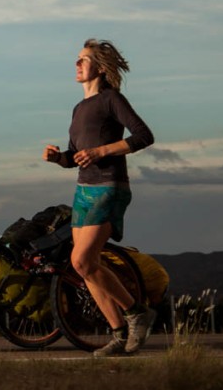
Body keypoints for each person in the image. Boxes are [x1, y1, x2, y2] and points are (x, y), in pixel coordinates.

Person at [43, 39, 156, 357]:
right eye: (77, 59)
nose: (77, 64)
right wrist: (58, 159)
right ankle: (119, 334)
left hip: (110, 187)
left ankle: (137, 313)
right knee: (84, 266)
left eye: (84, 59)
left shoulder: (111, 100)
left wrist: (102, 151)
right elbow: (75, 156)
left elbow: (144, 136)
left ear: (101, 68)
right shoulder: (79, 109)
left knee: (80, 260)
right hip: (83, 190)